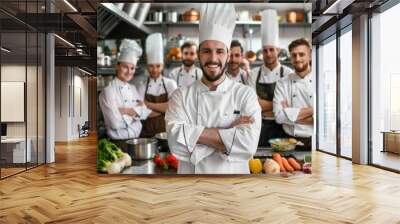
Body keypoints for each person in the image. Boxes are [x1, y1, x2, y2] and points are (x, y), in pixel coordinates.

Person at [165, 3, 261, 174]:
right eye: (207, 51)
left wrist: (192, 135)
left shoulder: (245, 94)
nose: (213, 58)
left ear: (228, 55)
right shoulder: (180, 96)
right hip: (191, 188)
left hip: (234, 188)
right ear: (199, 54)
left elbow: (248, 145)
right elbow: (175, 143)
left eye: (219, 51)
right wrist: (229, 132)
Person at [99, 39, 160, 149]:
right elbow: (115, 124)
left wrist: (127, 111)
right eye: (125, 67)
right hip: (117, 144)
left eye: (132, 68)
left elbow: (145, 113)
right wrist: (137, 114)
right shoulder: (108, 91)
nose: (129, 71)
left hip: (136, 142)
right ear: (117, 66)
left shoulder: (133, 89)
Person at [247, 9, 294, 147]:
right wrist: (277, 104)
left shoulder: (288, 73)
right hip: (259, 127)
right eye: (265, 50)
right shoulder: (254, 74)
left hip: (283, 128)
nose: (268, 54)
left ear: (278, 50)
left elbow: (291, 106)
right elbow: (253, 106)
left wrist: (263, 104)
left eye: (271, 49)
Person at [273, 38, 313, 151]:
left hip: (317, 142)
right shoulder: (282, 83)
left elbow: (324, 119)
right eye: (294, 55)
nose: (297, 59)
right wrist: (313, 110)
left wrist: (290, 113)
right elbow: (279, 117)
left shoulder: (321, 79)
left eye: (301, 54)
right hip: (290, 142)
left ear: (309, 56)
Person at [137, 33, 178, 138]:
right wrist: (162, 110)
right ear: (147, 66)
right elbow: (139, 110)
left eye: (158, 66)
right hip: (146, 134)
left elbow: (173, 107)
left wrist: (148, 104)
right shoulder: (141, 86)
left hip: (166, 134)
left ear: (163, 66)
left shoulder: (170, 83)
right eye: (151, 66)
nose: (154, 69)